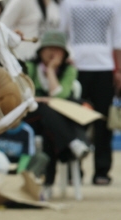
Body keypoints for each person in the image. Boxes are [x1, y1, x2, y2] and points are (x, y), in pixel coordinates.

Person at [61, 0, 121, 185]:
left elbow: (117, 38)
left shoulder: (114, 2)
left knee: (103, 121)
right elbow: (62, 34)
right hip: (76, 67)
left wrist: (118, 70)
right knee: (74, 118)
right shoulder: (67, 3)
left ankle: (101, 171)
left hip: (104, 67)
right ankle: (73, 169)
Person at [24, 30, 91, 186]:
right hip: (31, 118)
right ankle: (74, 142)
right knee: (45, 108)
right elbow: (24, 97)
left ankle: (48, 182)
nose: (53, 52)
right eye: (49, 48)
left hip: (52, 124)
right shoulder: (29, 67)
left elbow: (60, 97)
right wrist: (44, 100)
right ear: (41, 51)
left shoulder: (69, 70)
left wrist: (51, 70)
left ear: (64, 53)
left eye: (57, 49)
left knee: (51, 129)